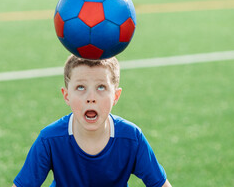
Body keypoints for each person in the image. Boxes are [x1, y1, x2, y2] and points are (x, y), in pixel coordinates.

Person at [13, 55, 172, 187]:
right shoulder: (50, 139)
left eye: (101, 87)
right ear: (67, 95)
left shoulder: (131, 137)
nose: (91, 98)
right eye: (81, 87)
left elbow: (160, 184)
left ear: (115, 96)